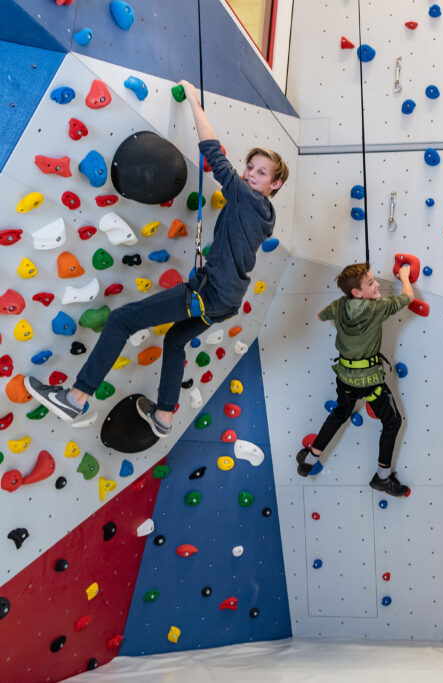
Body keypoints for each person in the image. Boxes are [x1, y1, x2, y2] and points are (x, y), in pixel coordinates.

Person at [26, 80, 289, 438]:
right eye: (250, 167)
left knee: (120, 321)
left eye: (261, 173)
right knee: (175, 341)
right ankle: (164, 416)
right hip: (226, 301)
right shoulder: (265, 213)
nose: (250, 174)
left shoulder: (245, 197)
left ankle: (75, 397)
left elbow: (213, 151)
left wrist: (194, 101)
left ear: (274, 185)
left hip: (209, 294)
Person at [295, 262, 414, 498]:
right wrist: (404, 276)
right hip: (369, 381)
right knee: (392, 422)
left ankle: (308, 461)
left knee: (339, 414)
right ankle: (382, 477)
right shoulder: (376, 308)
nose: (377, 284)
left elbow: (321, 315)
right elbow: (407, 296)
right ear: (357, 293)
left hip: (345, 377)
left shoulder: (339, 305)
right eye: (371, 283)